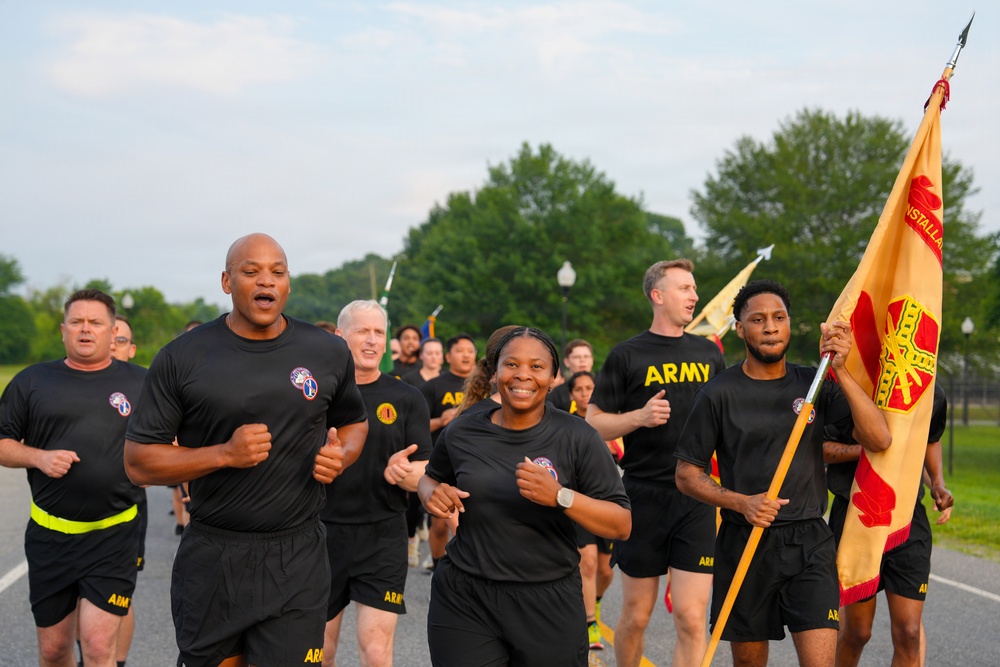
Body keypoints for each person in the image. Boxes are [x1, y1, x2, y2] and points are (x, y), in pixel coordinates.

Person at [123, 233, 369, 667]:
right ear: (226, 281)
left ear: (288, 283)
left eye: (277, 271)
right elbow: (139, 462)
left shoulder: (327, 351)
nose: (265, 281)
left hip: (298, 555)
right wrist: (223, 454)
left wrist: (342, 455)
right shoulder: (182, 357)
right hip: (216, 554)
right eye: (250, 271)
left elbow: (354, 421)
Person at [674, 279, 891, 667]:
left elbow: (878, 438)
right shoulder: (717, 393)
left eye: (779, 317)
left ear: (790, 324)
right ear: (740, 329)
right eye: (758, 319)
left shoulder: (815, 382)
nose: (770, 327)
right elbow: (687, 474)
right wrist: (742, 503)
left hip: (809, 541)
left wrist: (840, 371)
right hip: (746, 540)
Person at [419, 327, 632, 666]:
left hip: (548, 601)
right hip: (466, 597)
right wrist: (433, 494)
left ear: (553, 377)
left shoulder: (578, 437)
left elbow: (621, 524)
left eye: (536, 367)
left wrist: (561, 496)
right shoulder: (463, 430)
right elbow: (430, 478)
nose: (523, 375)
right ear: (494, 374)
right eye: (512, 364)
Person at [586, 258, 726, 667]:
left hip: (696, 495)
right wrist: (638, 418)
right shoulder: (626, 355)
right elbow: (593, 423)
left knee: (691, 616)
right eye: (685, 288)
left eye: (694, 288)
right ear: (658, 295)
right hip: (643, 496)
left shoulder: (709, 354)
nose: (694, 296)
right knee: (635, 615)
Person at [0, 289, 147, 667]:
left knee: (99, 648)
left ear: (113, 332)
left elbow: (175, 438)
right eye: (77, 322)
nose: (86, 330)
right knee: (54, 650)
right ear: (62, 330)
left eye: (95, 323)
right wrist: (39, 457)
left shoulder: (142, 383)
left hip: (114, 536)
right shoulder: (32, 381)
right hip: (50, 537)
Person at [322, 300, 432, 667]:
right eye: (362, 331)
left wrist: (405, 474)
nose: (372, 341)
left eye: (378, 333)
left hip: (382, 535)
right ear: (340, 337)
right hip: (320, 534)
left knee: (376, 650)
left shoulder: (407, 398)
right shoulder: (319, 397)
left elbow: (424, 473)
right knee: (320, 652)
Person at [827, 383, 953, 667]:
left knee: (909, 633)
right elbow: (820, 448)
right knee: (857, 632)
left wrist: (937, 482)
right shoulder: (844, 386)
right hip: (856, 516)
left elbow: (930, 438)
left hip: (908, 516)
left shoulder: (929, 390)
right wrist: (869, 450)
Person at [567, 370, 619, 651]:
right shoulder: (568, 423)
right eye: (579, 389)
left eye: (590, 387)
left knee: (606, 569)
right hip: (579, 503)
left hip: (609, 504)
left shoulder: (611, 422)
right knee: (586, 562)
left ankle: (595, 601)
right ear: (572, 394)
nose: (585, 393)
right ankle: (589, 624)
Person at [419, 333, 478, 571]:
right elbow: (417, 425)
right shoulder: (433, 386)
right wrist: (440, 421)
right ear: (448, 356)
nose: (466, 355)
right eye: (460, 350)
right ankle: (438, 568)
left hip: (475, 461)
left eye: (470, 351)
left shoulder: (486, 386)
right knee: (441, 522)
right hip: (442, 460)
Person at [108, 315, 146, 667]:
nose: (112, 344)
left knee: (119, 593)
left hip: (127, 508)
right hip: (70, 517)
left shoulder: (144, 384)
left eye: (121, 341)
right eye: (110, 336)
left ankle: (116, 661)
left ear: (131, 350)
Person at [550, 339, 595, 412]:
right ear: (566, 362)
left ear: (592, 360)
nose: (582, 360)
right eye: (577, 357)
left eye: (586, 356)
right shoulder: (557, 394)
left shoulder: (603, 388)